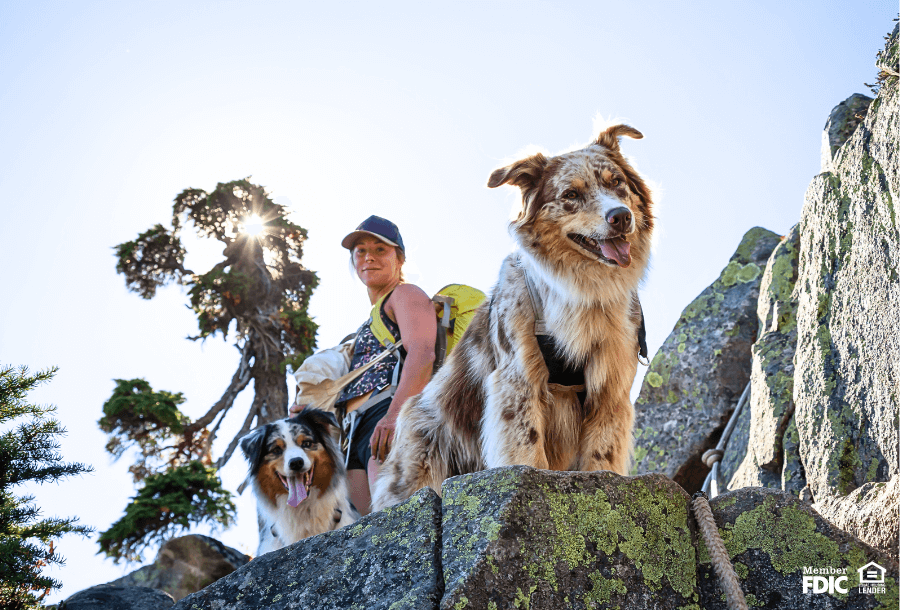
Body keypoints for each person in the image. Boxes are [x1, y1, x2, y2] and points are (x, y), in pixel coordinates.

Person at [293, 216, 436, 515]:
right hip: (355, 433)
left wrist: (396, 416)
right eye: (360, 251)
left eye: (380, 250)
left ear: (400, 260)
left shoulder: (405, 294)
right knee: (367, 532)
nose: (368, 257)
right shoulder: (365, 327)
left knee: (397, 520)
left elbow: (422, 353)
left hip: (388, 414)